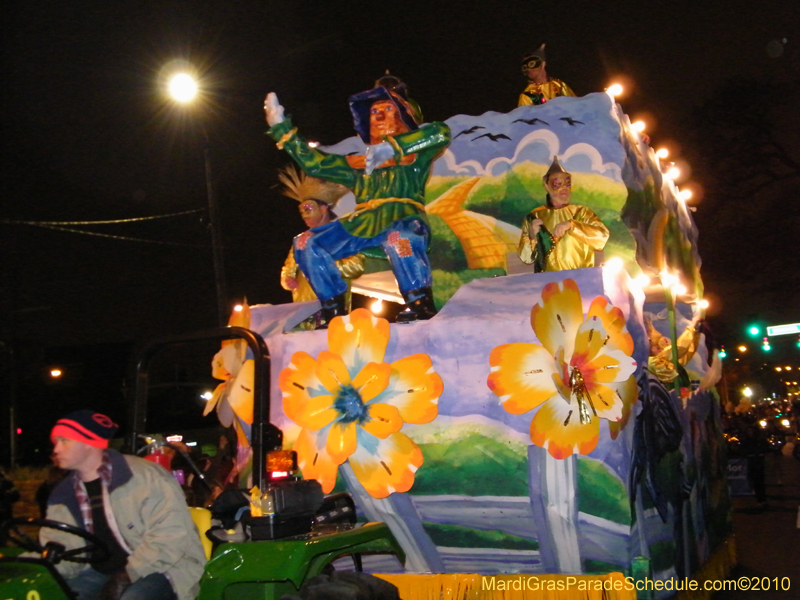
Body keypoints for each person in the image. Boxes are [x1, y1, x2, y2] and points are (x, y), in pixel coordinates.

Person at [264, 80, 451, 326]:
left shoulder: (416, 157)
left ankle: (419, 303)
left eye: (388, 109)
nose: (379, 116)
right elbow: (315, 163)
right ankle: (333, 309)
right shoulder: (359, 165)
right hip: (362, 224)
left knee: (399, 237)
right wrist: (282, 130)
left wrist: (394, 148)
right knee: (305, 242)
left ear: (405, 117)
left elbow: (440, 132)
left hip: (402, 218)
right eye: (374, 112)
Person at [40, 410, 206, 600]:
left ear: (89, 443)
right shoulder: (63, 494)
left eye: (64, 441)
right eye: (56, 442)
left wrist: (126, 576)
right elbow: (64, 549)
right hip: (99, 571)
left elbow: (170, 536)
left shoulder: (144, 476)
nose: (56, 450)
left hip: (164, 566)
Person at [278, 166, 365, 313]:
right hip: (303, 311)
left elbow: (356, 267)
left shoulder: (342, 235)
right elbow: (288, 269)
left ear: (324, 208)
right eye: (302, 211)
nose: (305, 216)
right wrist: (287, 280)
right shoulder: (301, 241)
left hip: (334, 309)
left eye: (309, 209)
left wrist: (320, 263)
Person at [517, 156, 609, 272]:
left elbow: (602, 237)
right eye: (557, 184)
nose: (564, 188)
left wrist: (572, 225)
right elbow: (526, 258)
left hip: (580, 279)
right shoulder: (534, 216)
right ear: (547, 186)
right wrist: (531, 236)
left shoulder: (581, 212)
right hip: (547, 283)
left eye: (567, 184)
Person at [0, 467, 21, 545]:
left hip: (4, 512)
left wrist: (5, 496)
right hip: (4, 511)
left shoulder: (6, 483)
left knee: (3, 535)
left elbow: (16, 495)